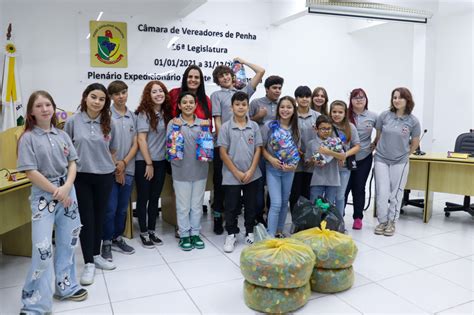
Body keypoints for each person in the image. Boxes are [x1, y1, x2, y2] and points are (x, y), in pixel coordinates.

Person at [17, 91, 87, 314]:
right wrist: (57, 191)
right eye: (39, 105)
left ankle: (65, 287)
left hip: (68, 193)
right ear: (31, 112)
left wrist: (66, 187)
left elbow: (73, 162)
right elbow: (30, 171)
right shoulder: (27, 138)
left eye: (48, 104)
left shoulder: (62, 135)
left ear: (54, 108)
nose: (45, 109)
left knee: (68, 243)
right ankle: (35, 303)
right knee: (42, 250)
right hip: (44, 197)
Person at [64, 83, 118, 285]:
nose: (97, 102)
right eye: (93, 97)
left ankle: (96, 255)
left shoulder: (109, 122)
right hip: (81, 177)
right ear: (85, 97)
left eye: (102, 99)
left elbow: (113, 150)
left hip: (104, 176)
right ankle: (88, 263)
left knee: (100, 216)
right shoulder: (73, 121)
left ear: (106, 103)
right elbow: (66, 150)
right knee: (86, 219)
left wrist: (112, 168)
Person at [211, 57, 265, 235]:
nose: (225, 77)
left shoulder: (243, 92)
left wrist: (242, 61)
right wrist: (221, 144)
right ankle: (219, 219)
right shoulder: (216, 96)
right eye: (221, 76)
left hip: (246, 143)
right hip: (226, 144)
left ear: (233, 75)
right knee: (221, 187)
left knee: (249, 187)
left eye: (227, 74)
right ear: (217, 80)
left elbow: (260, 71)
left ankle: (249, 227)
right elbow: (217, 120)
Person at [218, 91, 263, 252]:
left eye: (244, 104)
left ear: (247, 107)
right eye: (237, 104)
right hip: (232, 175)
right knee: (231, 206)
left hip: (252, 174)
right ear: (232, 107)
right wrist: (236, 172)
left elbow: (258, 149)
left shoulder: (254, 126)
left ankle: (249, 232)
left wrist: (251, 170)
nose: (241, 107)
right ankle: (231, 234)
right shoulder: (225, 127)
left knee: (251, 205)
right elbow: (223, 152)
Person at [373, 87, 421, 236]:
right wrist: (373, 147)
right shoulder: (384, 116)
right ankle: (382, 221)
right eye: (394, 97)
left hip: (400, 162)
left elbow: (415, 142)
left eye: (400, 97)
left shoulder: (413, 121)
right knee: (382, 191)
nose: (397, 100)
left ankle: (392, 221)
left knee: (395, 193)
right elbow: (378, 136)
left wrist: (405, 154)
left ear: (407, 100)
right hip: (381, 158)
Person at [167, 92, 210, 251]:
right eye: (184, 102)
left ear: (195, 104)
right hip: (181, 172)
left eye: (191, 102)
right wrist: (177, 128)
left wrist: (206, 131)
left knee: (197, 205)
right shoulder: (173, 123)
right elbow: (171, 149)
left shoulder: (203, 123)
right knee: (183, 206)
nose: (188, 105)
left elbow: (207, 150)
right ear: (179, 105)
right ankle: (184, 234)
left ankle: (196, 233)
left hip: (200, 171)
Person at [101, 81, 138, 261]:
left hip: (128, 168)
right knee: (110, 208)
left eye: (124, 92)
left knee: (123, 209)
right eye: (117, 94)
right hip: (110, 171)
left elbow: (136, 143)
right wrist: (117, 167)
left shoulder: (132, 116)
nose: (121, 96)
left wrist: (124, 163)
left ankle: (117, 238)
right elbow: (104, 145)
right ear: (111, 97)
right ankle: (106, 242)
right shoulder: (106, 116)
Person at [135, 81, 172, 248]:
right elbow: (141, 139)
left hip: (160, 161)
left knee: (155, 198)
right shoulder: (144, 114)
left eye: (161, 91)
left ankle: (151, 230)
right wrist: (149, 163)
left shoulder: (165, 113)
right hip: (145, 162)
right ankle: (143, 232)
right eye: (154, 92)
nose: (158, 94)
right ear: (148, 96)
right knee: (143, 198)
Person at [261, 96, 300, 237]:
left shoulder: (296, 127)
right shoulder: (269, 125)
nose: (285, 110)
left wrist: (293, 166)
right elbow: (261, 147)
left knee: (284, 203)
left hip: (289, 171)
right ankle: (270, 235)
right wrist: (271, 159)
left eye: (289, 107)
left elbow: (298, 150)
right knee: (276, 203)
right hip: (272, 169)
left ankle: (279, 231)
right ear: (278, 109)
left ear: (294, 110)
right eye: (282, 107)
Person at [249, 75, 284, 225]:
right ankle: (258, 216)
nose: (277, 91)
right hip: (258, 150)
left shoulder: (283, 104)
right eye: (274, 88)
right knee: (258, 184)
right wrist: (259, 116)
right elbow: (246, 122)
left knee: (274, 185)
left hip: (278, 152)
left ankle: (272, 213)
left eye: (279, 88)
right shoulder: (256, 103)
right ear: (266, 89)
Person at [345, 88, 378, 230]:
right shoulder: (345, 114)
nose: (359, 100)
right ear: (351, 100)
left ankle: (358, 218)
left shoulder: (372, 116)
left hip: (364, 157)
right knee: (344, 188)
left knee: (359, 188)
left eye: (362, 97)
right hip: (345, 157)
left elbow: (381, 131)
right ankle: (339, 216)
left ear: (366, 100)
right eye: (355, 97)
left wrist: (375, 143)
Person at [289, 86, 320, 211]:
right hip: (295, 160)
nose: (304, 99)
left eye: (307, 96)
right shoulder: (291, 114)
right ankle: (296, 221)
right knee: (295, 192)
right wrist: (295, 150)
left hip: (312, 161)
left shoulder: (317, 116)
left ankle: (308, 221)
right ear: (296, 99)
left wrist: (314, 156)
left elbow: (322, 139)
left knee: (308, 192)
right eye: (301, 96)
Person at [329, 100, 360, 217]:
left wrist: (344, 155)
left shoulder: (350, 127)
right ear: (330, 112)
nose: (337, 114)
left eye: (340, 112)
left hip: (344, 168)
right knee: (330, 196)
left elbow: (357, 146)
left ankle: (338, 220)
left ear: (345, 113)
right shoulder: (327, 126)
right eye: (334, 111)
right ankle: (328, 220)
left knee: (340, 195)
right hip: (329, 168)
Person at [306, 115, 345, 205]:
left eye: (329, 129)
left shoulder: (335, 142)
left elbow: (342, 158)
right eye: (323, 128)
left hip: (333, 181)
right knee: (315, 207)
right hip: (317, 181)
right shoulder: (311, 144)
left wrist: (328, 152)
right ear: (316, 129)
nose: (326, 131)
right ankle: (316, 220)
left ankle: (326, 220)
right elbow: (307, 164)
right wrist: (312, 161)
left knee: (328, 208)